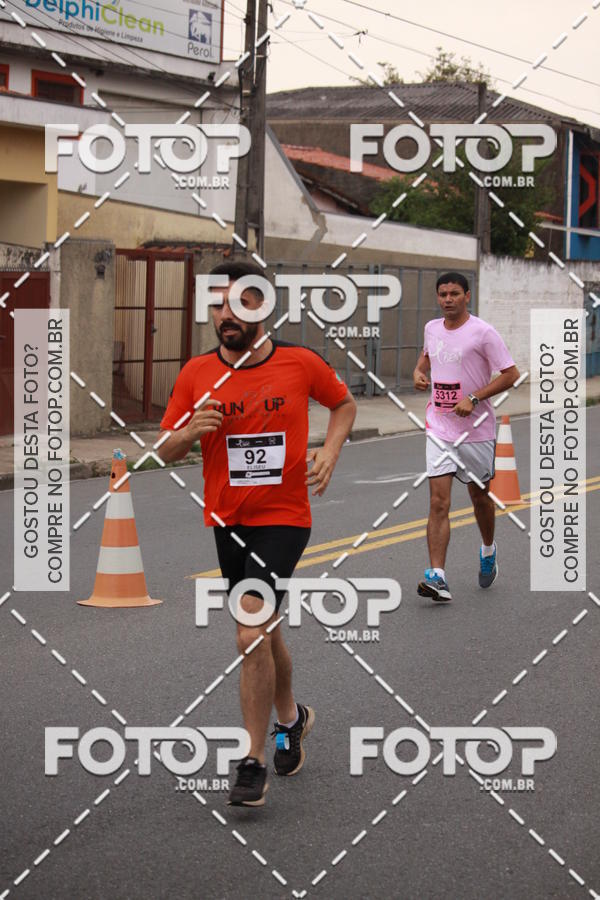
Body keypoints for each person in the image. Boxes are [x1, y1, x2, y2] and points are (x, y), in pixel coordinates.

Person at [157, 261, 356, 806]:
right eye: (218, 304)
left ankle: (252, 761)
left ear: (263, 307)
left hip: (284, 518)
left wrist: (330, 450)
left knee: (249, 630)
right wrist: (189, 432)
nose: (225, 314)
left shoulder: (300, 362)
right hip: (227, 521)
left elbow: (343, 404)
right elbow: (164, 449)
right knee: (264, 632)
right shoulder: (196, 373)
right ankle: (292, 718)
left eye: (239, 303)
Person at [413, 272, 519, 603]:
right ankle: (437, 576)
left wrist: (473, 398)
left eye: (454, 293)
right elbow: (426, 356)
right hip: (439, 428)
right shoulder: (432, 328)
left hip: (476, 431)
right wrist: (418, 372)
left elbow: (511, 374)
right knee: (438, 501)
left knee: (479, 498)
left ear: (467, 296)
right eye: (443, 294)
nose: (448, 299)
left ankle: (488, 549)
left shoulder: (483, 332)